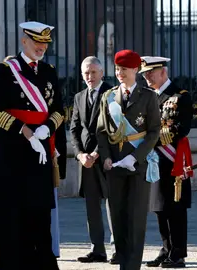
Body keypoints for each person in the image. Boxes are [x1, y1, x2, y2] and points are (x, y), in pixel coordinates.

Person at [0, 21, 67, 270]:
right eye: (36, 42)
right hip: (11, 155)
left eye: (45, 43)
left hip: (40, 155)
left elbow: (58, 109)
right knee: (13, 217)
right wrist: (27, 133)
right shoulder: (7, 71)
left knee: (40, 215)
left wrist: (47, 129)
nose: (41, 47)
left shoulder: (49, 71)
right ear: (24, 41)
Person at [96, 49, 160, 270]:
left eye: (124, 69)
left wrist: (135, 156)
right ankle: (123, 262)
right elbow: (101, 131)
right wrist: (104, 157)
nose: (119, 73)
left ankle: (132, 265)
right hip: (114, 165)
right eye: (117, 69)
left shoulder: (148, 96)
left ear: (135, 70)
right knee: (117, 218)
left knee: (135, 219)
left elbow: (153, 132)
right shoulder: (108, 97)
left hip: (137, 165)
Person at [140, 56, 193, 268]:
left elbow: (181, 128)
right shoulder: (147, 97)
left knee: (175, 208)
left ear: (164, 72)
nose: (147, 77)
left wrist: (152, 138)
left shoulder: (180, 96)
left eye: (151, 73)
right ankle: (166, 248)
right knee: (159, 207)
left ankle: (178, 252)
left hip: (172, 160)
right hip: (154, 160)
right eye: (144, 74)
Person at [70, 56, 117, 264]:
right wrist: (80, 154)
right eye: (86, 73)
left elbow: (113, 127)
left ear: (101, 73)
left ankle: (118, 249)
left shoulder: (112, 93)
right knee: (91, 206)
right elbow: (74, 129)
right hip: (86, 162)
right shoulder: (79, 97)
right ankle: (97, 249)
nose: (90, 76)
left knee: (113, 205)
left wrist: (97, 153)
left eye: (93, 72)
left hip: (106, 158)